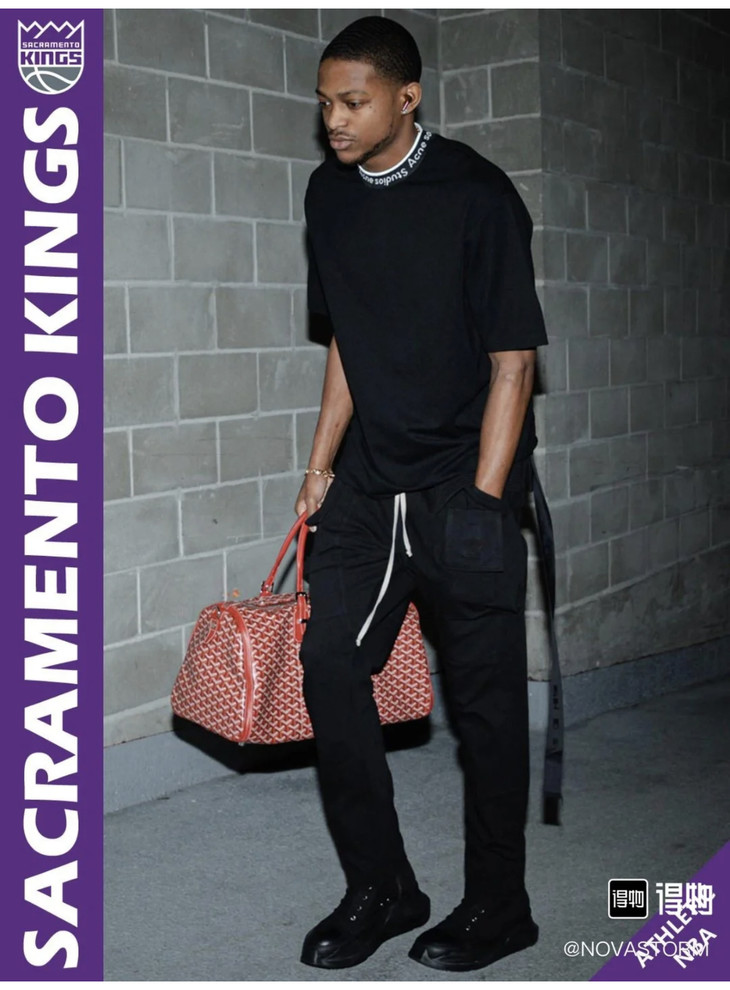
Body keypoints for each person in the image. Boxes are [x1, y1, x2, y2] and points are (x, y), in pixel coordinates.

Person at [294, 15, 548, 974]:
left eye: (353, 102)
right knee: (328, 666)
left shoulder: (478, 195)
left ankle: (500, 906)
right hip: (368, 482)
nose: (334, 120)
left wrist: (484, 502)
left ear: (408, 98)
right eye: (326, 103)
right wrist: (319, 467)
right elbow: (346, 343)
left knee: (484, 703)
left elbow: (513, 362)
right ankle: (384, 886)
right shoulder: (328, 194)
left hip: (461, 481)